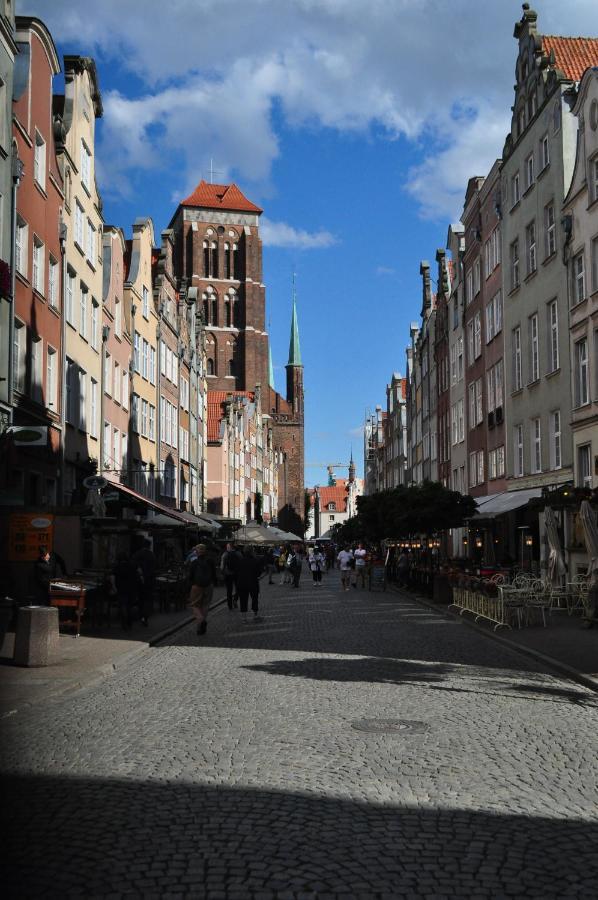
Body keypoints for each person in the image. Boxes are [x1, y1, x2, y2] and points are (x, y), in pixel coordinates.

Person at [188, 543, 217, 635]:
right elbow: (214, 574)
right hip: (208, 586)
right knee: (205, 605)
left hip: (197, 586)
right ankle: (200, 627)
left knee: (195, 605)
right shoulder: (210, 561)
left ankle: (201, 620)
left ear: (196, 552)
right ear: (205, 551)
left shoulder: (194, 563)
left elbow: (190, 576)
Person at [131, 539, 156, 626]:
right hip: (149, 581)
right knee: (147, 600)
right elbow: (154, 569)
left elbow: (133, 566)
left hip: (139, 581)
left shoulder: (137, 554)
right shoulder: (151, 555)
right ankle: (144, 617)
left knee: (141, 599)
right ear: (149, 546)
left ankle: (141, 615)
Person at [236, 547, 264, 624]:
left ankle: (244, 618)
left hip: (242, 583)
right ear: (252, 552)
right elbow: (259, 573)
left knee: (243, 600)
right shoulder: (255, 560)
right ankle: (255, 615)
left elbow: (237, 571)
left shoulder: (240, 561)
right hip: (253, 583)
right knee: (254, 599)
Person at [111, 553, 137, 630]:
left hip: (121, 588)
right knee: (129, 606)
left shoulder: (117, 567)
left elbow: (112, 577)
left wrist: (114, 587)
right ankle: (129, 622)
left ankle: (124, 622)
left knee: (122, 605)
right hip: (131, 588)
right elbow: (136, 576)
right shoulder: (132, 566)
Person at [220, 542, 241, 610]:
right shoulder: (239, 553)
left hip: (228, 574)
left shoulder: (225, 554)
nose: (226, 548)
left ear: (229, 547)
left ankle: (230, 606)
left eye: (227, 547)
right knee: (238, 588)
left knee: (229, 590)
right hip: (237, 573)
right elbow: (242, 563)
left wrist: (222, 572)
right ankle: (235, 599)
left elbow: (222, 566)